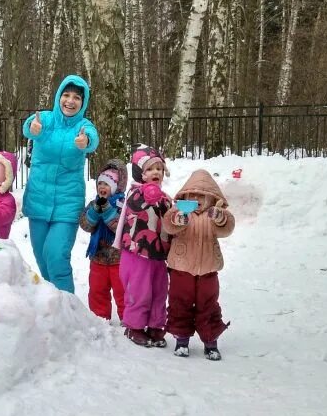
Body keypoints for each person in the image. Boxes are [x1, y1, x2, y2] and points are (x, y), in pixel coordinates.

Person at [21, 74, 99, 293]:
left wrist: (86, 141)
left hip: (67, 202)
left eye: (77, 97)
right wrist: (31, 128)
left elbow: (93, 140)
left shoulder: (84, 126)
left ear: (83, 103)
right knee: (43, 260)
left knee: (56, 257)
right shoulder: (45, 119)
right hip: (38, 200)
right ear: (58, 96)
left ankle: (68, 308)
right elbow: (29, 126)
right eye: (66, 95)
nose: (70, 101)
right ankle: (53, 303)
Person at [162, 169, 235, 360]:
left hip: (208, 269)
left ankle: (210, 340)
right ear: (185, 195)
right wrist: (178, 219)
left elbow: (227, 228)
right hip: (181, 269)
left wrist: (220, 218)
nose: (197, 198)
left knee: (208, 304)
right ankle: (182, 339)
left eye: (203, 195)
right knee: (179, 302)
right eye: (193, 194)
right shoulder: (179, 211)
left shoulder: (214, 215)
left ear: (213, 198)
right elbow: (168, 224)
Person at [117, 145, 172, 347]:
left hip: (158, 253)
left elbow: (169, 220)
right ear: (140, 173)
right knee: (140, 290)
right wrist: (150, 192)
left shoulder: (164, 197)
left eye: (159, 168)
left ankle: (156, 326)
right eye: (149, 169)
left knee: (159, 290)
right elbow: (141, 203)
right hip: (137, 252)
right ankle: (134, 326)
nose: (155, 172)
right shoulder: (136, 193)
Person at [79, 159, 127, 321]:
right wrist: (94, 211)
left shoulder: (123, 205)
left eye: (106, 184)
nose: (102, 187)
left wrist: (107, 211)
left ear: (115, 186)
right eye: (100, 183)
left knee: (123, 291)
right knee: (97, 290)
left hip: (119, 259)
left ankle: (128, 318)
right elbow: (86, 225)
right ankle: (100, 317)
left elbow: (121, 228)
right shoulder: (94, 204)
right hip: (98, 256)